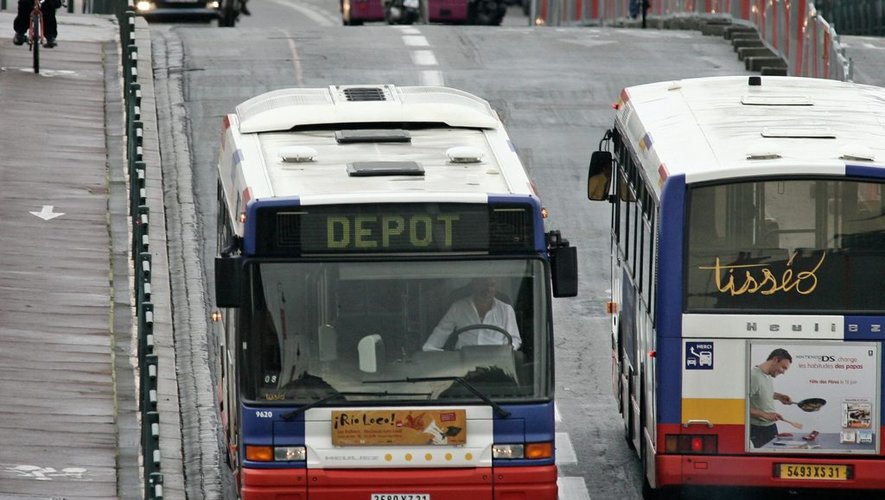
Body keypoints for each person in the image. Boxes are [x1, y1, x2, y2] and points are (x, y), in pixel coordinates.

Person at [422, 277, 521, 351]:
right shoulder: (458, 307)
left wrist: (504, 352)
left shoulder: (506, 310)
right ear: (474, 285)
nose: (488, 290)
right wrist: (429, 349)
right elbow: (441, 332)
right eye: (485, 285)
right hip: (463, 362)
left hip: (496, 363)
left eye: (492, 285)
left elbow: (514, 339)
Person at [748, 348, 793, 448]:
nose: (783, 372)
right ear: (775, 360)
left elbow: (761, 392)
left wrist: (779, 396)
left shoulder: (767, 374)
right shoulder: (754, 376)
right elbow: (741, 405)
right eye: (783, 367)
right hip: (758, 429)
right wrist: (765, 415)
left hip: (770, 427)